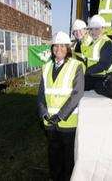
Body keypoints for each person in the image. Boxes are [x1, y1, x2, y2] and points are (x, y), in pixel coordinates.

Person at [37, 31, 85, 181]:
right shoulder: (46, 67)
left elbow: (77, 94)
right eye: (55, 46)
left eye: (62, 46)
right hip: (50, 121)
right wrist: (43, 113)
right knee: (53, 153)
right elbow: (41, 93)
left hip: (67, 122)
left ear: (68, 48)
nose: (59, 49)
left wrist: (61, 115)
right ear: (52, 48)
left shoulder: (76, 66)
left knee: (68, 156)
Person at [83, 15, 112, 91]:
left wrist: (86, 71)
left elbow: (104, 65)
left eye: (97, 29)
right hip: (93, 74)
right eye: (91, 29)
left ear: (103, 29)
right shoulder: (93, 42)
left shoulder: (107, 43)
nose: (93, 32)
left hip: (103, 76)